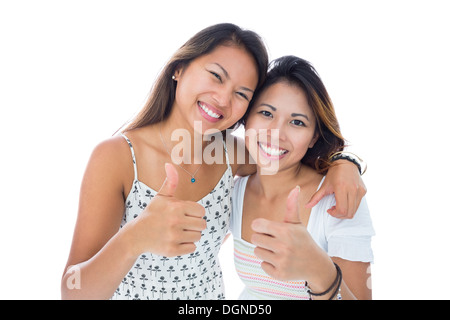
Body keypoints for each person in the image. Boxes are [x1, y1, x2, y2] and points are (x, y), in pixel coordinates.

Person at [61, 23, 365, 300]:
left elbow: (285, 150)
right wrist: (133, 239)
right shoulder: (117, 157)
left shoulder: (231, 156)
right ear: (179, 68)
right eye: (216, 76)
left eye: (241, 94)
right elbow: (72, 290)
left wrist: (345, 163)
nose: (222, 99)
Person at [230, 56, 375, 300]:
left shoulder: (336, 201)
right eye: (266, 113)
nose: (276, 133)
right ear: (247, 119)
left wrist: (321, 271)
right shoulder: (236, 189)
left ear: (314, 137)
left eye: (297, 122)